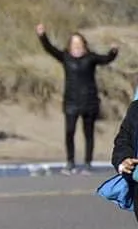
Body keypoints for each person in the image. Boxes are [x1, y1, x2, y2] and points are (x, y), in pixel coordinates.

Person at [36, 24, 118, 175]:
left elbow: (106, 59)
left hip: (89, 100)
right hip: (71, 101)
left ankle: (87, 163)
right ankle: (70, 162)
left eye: (79, 43)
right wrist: (42, 36)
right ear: (69, 45)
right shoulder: (65, 57)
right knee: (69, 132)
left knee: (88, 133)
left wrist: (113, 51)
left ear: (84, 45)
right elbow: (49, 49)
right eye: (74, 43)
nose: (77, 46)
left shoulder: (91, 58)